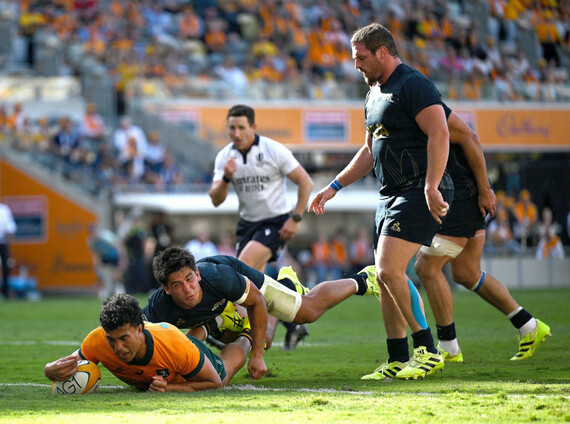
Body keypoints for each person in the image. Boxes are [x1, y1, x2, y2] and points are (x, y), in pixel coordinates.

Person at [309, 23, 453, 380]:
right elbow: (369, 151)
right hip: (389, 194)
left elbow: (440, 132)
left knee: (388, 270)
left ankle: (428, 350)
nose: (356, 65)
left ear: (383, 53)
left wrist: (431, 185)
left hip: (418, 189)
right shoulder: (373, 94)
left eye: (361, 58)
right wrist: (334, 186)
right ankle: (397, 358)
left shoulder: (413, 85)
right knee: (385, 277)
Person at [413, 107, 551, 368]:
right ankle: (529, 325)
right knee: (466, 273)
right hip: (462, 196)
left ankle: (448, 346)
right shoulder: (406, 106)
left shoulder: (423, 102)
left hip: (462, 197)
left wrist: (485, 189)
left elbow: (471, 137)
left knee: (426, 266)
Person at [143, 247, 379, 381]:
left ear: (197, 274)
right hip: (214, 312)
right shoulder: (158, 307)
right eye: (178, 285)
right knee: (241, 337)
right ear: (166, 288)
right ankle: (284, 285)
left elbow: (256, 302)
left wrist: (257, 356)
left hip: (241, 288)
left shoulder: (218, 277)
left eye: (189, 279)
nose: (188, 289)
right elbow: (137, 336)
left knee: (307, 312)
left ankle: (363, 279)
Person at [208, 104, 314, 348]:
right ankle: (286, 320)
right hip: (247, 225)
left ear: (253, 127)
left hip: (276, 222)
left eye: (241, 127)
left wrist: (295, 218)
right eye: (232, 128)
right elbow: (215, 199)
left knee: (240, 272)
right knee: (256, 284)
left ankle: (240, 334)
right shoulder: (225, 157)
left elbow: (305, 182)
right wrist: (226, 177)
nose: (236, 133)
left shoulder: (272, 149)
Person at [44, 294, 244, 392]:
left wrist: (170, 388)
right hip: (179, 350)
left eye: (124, 338)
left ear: (139, 329)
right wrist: (49, 370)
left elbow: (214, 383)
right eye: (111, 339)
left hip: (182, 350)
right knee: (181, 352)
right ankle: (213, 322)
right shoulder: (97, 340)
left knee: (226, 371)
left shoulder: (173, 344)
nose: (118, 348)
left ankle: (248, 335)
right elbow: (69, 363)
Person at [87, 223, 128, 299]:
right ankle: (105, 290)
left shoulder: (105, 236)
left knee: (117, 275)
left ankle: (120, 291)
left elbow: (119, 245)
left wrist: (122, 260)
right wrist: (97, 266)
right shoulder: (91, 241)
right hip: (105, 257)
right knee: (101, 273)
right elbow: (96, 254)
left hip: (115, 256)